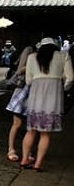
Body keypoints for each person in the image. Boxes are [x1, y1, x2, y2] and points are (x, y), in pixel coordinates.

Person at [20, 37, 73, 171]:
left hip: (36, 95)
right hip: (54, 96)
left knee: (31, 130)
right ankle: (38, 164)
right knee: (45, 133)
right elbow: (70, 78)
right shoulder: (63, 56)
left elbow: (28, 81)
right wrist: (64, 87)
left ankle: (24, 159)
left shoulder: (32, 57)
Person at [5, 43, 36, 162]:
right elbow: (19, 71)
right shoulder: (29, 49)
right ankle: (11, 149)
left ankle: (28, 151)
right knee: (17, 123)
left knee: (31, 126)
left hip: (35, 91)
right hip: (22, 89)